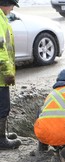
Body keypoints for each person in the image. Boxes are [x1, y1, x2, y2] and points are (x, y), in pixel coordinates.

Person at [0, 0, 22, 150]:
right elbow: (1, 49)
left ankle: (3, 134)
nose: (13, 8)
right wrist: (7, 71)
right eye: (12, 4)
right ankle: (1, 140)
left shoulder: (2, 18)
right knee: (3, 107)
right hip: (0, 74)